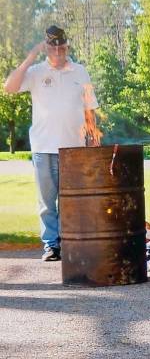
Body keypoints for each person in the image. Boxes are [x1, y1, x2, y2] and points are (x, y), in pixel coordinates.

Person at [4, 25, 99, 262]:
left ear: (67, 47)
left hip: (73, 148)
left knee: (71, 201)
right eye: (53, 48)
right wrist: (30, 57)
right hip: (43, 147)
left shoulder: (80, 71)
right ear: (47, 48)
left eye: (62, 47)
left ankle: (70, 243)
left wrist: (93, 138)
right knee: (47, 202)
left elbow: (89, 108)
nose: (58, 52)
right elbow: (9, 87)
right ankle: (51, 245)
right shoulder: (36, 71)